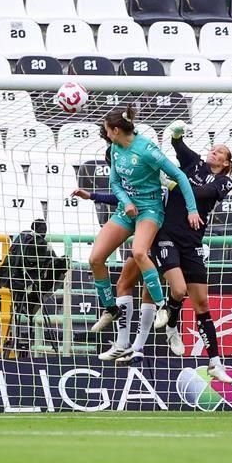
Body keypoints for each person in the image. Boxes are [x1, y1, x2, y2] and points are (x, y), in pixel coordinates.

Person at [74, 122, 232, 382]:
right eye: (212, 149)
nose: (213, 153)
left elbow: (201, 191)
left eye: (220, 152)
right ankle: (131, 343)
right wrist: (177, 134)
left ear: (226, 162)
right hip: (162, 234)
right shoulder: (186, 166)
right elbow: (176, 145)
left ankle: (197, 351)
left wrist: (170, 183)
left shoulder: (220, 180)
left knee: (195, 300)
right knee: (146, 284)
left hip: (188, 240)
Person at [88, 107, 203, 348]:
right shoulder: (115, 149)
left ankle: (162, 307)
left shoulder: (147, 149)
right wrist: (127, 202)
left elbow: (180, 177)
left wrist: (192, 210)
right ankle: (110, 309)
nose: (105, 133)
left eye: (107, 129)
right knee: (95, 258)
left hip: (150, 209)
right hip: (127, 210)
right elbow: (116, 184)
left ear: (116, 130)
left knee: (139, 252)